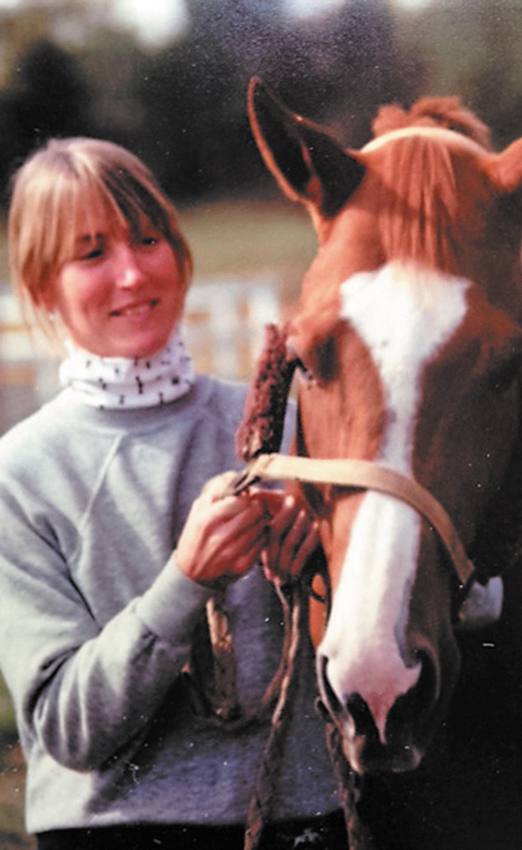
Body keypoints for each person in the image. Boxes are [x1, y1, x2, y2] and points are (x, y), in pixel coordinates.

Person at [0, 138, 348, 850]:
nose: (131, 273)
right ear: (42, 289)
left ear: (181, 255)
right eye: (91, 254)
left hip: (304, 818)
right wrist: (185, 579)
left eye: (148, 239)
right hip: (120, 832)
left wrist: (331, 552)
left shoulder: (293, 422)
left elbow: (469, 599)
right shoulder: (20, 474)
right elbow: (68, 728)